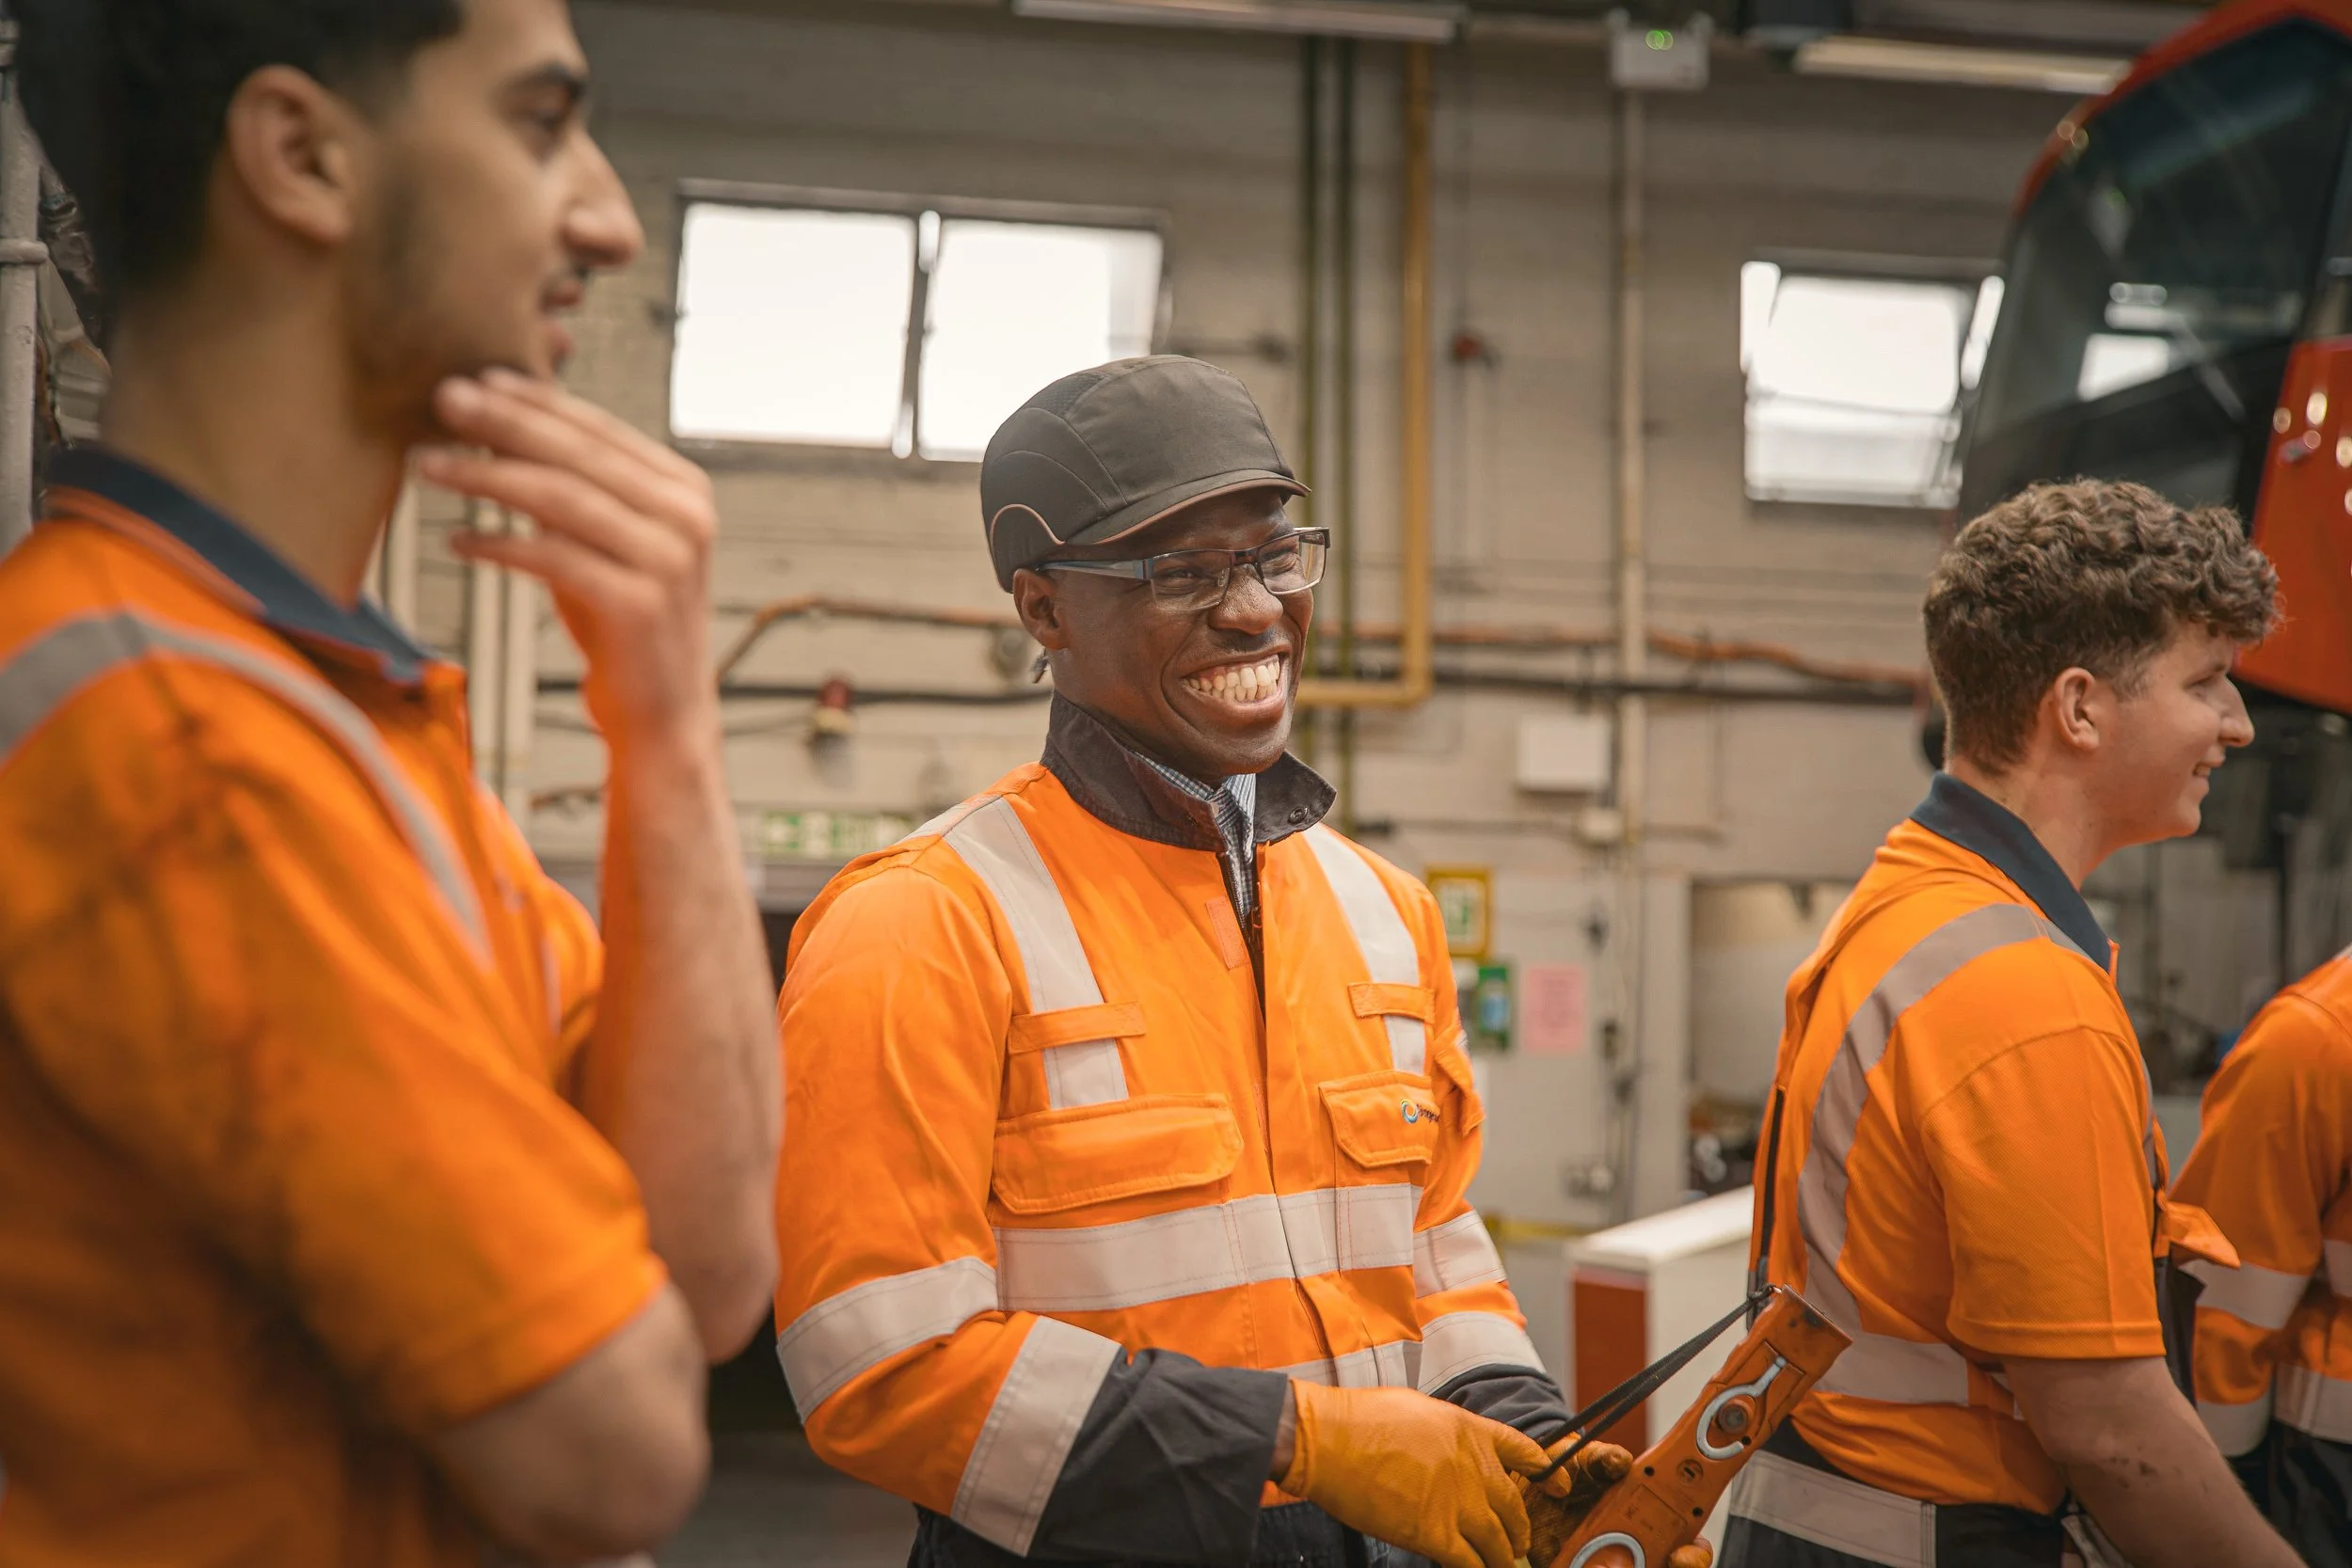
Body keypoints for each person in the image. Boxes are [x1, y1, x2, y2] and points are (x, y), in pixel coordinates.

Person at [0, 1, 779, 1563]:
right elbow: (613, 1450)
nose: (610, 220)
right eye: (540, 124)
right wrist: (580, 1204)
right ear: (301, 155)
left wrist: (670, 735)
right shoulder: (180, 745)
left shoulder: (345, 717)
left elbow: (703, 1275)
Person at [771, 356, 1710, 1568]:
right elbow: (881, 1365)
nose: (1258, 610)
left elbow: (1431, 1259)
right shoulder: (923, 922)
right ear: (1043, 610)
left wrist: (1523, 1449)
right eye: (1182, 571)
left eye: (1273, 554)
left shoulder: (1386, 912)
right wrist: (1296, 1442)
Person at [1722, 480, 2299, 1568]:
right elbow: (2112, 1430)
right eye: (2207, 680)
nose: (2237, 722)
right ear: (2078, 708)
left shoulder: (1907, 901)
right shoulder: (2022, 990)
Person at [2169, 953, 2352, 1563]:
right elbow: (2228, 1293)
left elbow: (2226, 1299)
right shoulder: (2318, 1039)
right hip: (2331, 1475)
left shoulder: (2317, 1035)